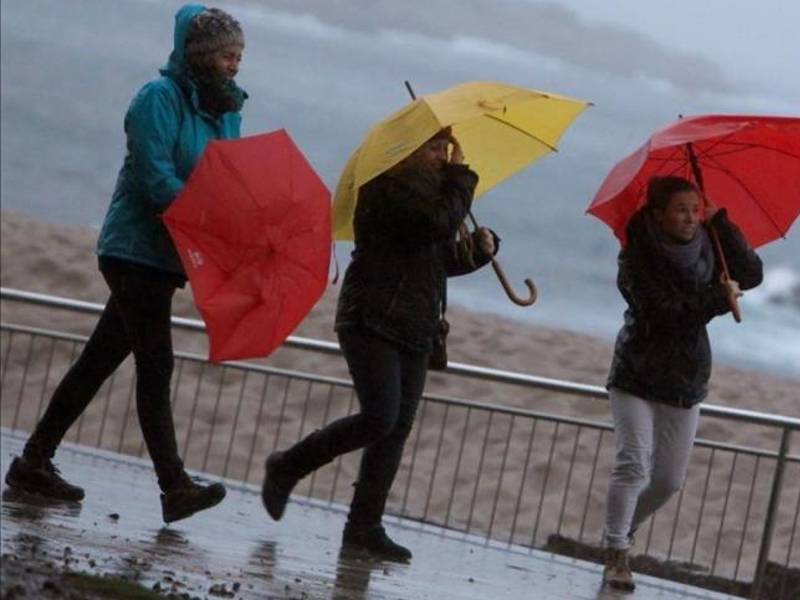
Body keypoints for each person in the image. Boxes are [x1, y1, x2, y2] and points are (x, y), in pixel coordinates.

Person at [4, 4, 247, 524]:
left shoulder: (227, 110)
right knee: (156, 364)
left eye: (240, 56)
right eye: (228, 54)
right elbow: (153, 176)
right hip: (133, 247)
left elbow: (228, 180)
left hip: (171, 257)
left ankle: (32, 461)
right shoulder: (156, 99)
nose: (235, 65)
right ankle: (174, 486)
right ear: (201, 53)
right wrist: (203, 215)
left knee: (97, 362)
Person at [261, 128, 499, 561]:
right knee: (379, 417)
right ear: (405, 150)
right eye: (431, 146)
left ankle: (364, 526)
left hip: (416, 322)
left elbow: (434, 262)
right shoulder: (385, 189)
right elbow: (430, 224)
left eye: (443, 148)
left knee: (396, 430)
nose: (441, 155)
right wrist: (462, 179)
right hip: (371, 316)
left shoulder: (435, 193)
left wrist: (476, 252)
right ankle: (288, 465)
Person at [601, 175, 763, 591]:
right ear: (658, 214)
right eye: (680, 209)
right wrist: (718, 299)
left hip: (686, 377)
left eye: (696, 208)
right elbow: (665, 313)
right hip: (637, 373)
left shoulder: (711, 246)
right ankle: (617, 552)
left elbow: (752, 273)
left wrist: (720, 221)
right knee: (633, 464)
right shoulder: (636, 256)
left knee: (669, 480)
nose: (690, 217)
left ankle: (620, 532)